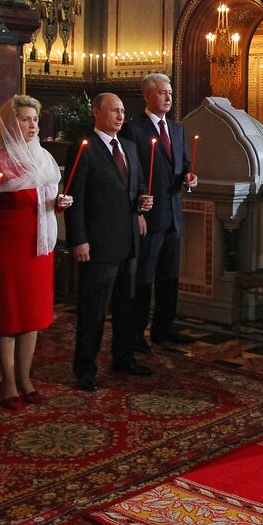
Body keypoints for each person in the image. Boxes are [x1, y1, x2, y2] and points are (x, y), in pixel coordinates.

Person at [0, 96, 70, 409]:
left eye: (35, 119)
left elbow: (45, 204)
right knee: (8, 317)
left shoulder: (43, 157)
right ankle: (7, 383)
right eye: (25, 119)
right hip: (8, 251)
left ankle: (26, 378)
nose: (33, 125)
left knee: (31, 316)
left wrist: (58, 205)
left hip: (38, 251)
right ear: (9, 123)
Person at [64, 93, 151, 390]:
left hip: (129, 242)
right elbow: (75, 199)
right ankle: (85, 369)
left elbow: (136, 184)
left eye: (123, 111)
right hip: (98, 244)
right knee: (94, 311)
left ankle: (123, 358)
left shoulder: (128, 146)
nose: (120, 117)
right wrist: (79, 240)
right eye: (114, 111)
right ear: (97, 113)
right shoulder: (84, 149)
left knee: (127, 307)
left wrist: (142, 201)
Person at [120, 73, 196, 348]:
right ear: (147, 96)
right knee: (143, 278)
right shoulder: (134, 130)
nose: (168, 97)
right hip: (148, 217)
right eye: (163, 92)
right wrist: (137, 210)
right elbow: (131, 173)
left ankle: (163, 329)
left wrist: (189, 177)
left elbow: (184, 164)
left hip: (173, 215)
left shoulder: (177, 129)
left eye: (171, 93)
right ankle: (136, 333)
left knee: (169, 277)